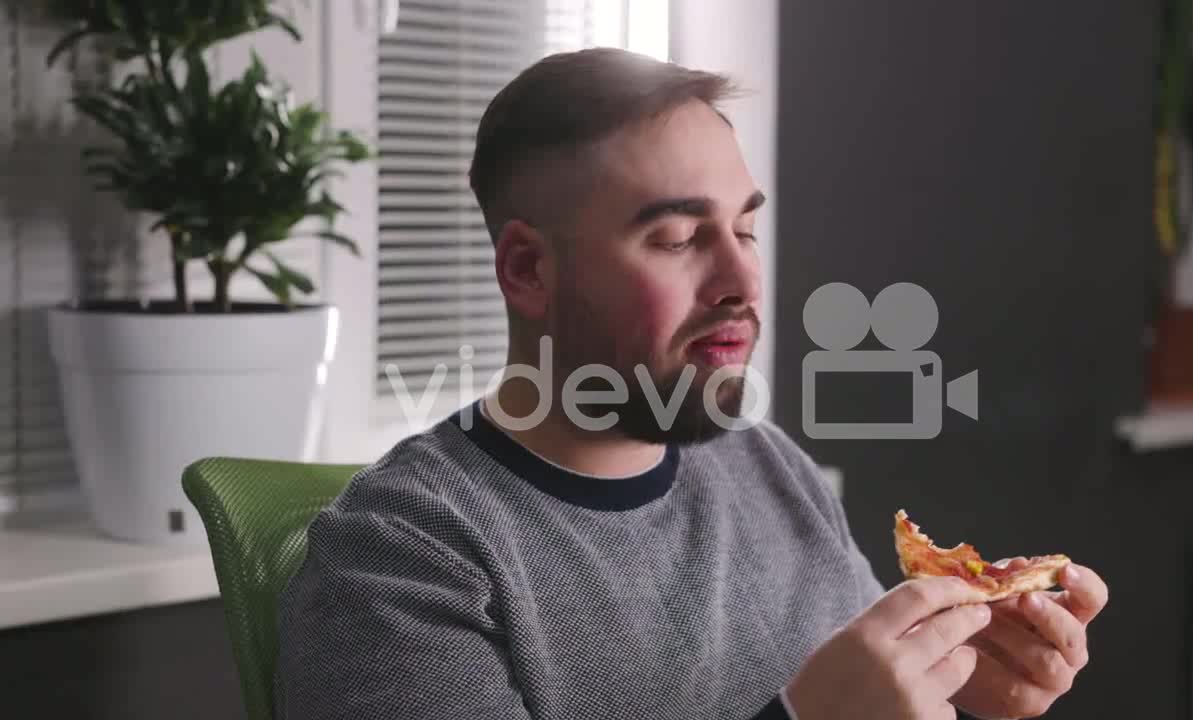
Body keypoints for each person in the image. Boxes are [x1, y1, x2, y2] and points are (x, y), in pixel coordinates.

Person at [274, 47, 1108, 720]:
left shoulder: (769, 468)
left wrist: (968, 696)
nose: (741, 278)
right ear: (528, 268)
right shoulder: (404, 560)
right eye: (678, 238)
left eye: (745, 227)